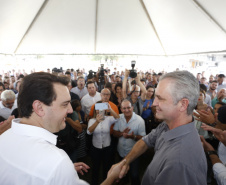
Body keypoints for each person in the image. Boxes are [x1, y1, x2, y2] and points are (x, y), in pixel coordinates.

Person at [0, 72, 124, 185]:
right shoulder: (56, 161)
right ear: (39, 107)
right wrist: (111, 178)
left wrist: (63, 173)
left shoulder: (4, 137)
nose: (70, 110)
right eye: (65, 104)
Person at [112, 70, 207, 185]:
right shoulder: (167, 124)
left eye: (160, 98)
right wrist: (125, 162)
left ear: (182, 104)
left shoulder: (179, 163)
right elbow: (145, 141)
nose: (153, 103)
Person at [113, 99, 146, 185]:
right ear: (121, 109)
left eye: (128, 107)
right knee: (123, 175)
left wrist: (133, 136)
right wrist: (121, 133)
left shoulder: (140, 120)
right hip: (121, 152)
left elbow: (144, 138)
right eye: (124, 108)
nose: (127, 110)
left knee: (134, 175)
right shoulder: (118, 118)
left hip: (134, 153)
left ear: (132, 108)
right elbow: (114, 133)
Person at [87, 102, 119, 185]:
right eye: (97, 109)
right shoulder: (92, 120)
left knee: (107, 167)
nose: (99, 111)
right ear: (95, 111)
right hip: (96, 148)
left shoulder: (108, 119)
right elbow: (89, 132)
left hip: (107, 148)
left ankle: (106, 182)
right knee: (95, 168)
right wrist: (97, 121)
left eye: (101, 109)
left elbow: (118, 118)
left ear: (104, 110)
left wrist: (110, 109)